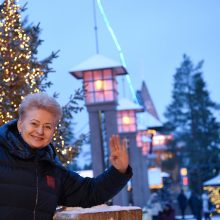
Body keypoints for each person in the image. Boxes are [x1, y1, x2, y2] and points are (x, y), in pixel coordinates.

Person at [0, 92, 132, 220]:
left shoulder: (53, 170)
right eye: (34, 123)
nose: (40, 131)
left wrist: (119, 170)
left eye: (47, 126)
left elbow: (91, 192)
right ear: (20, 124)